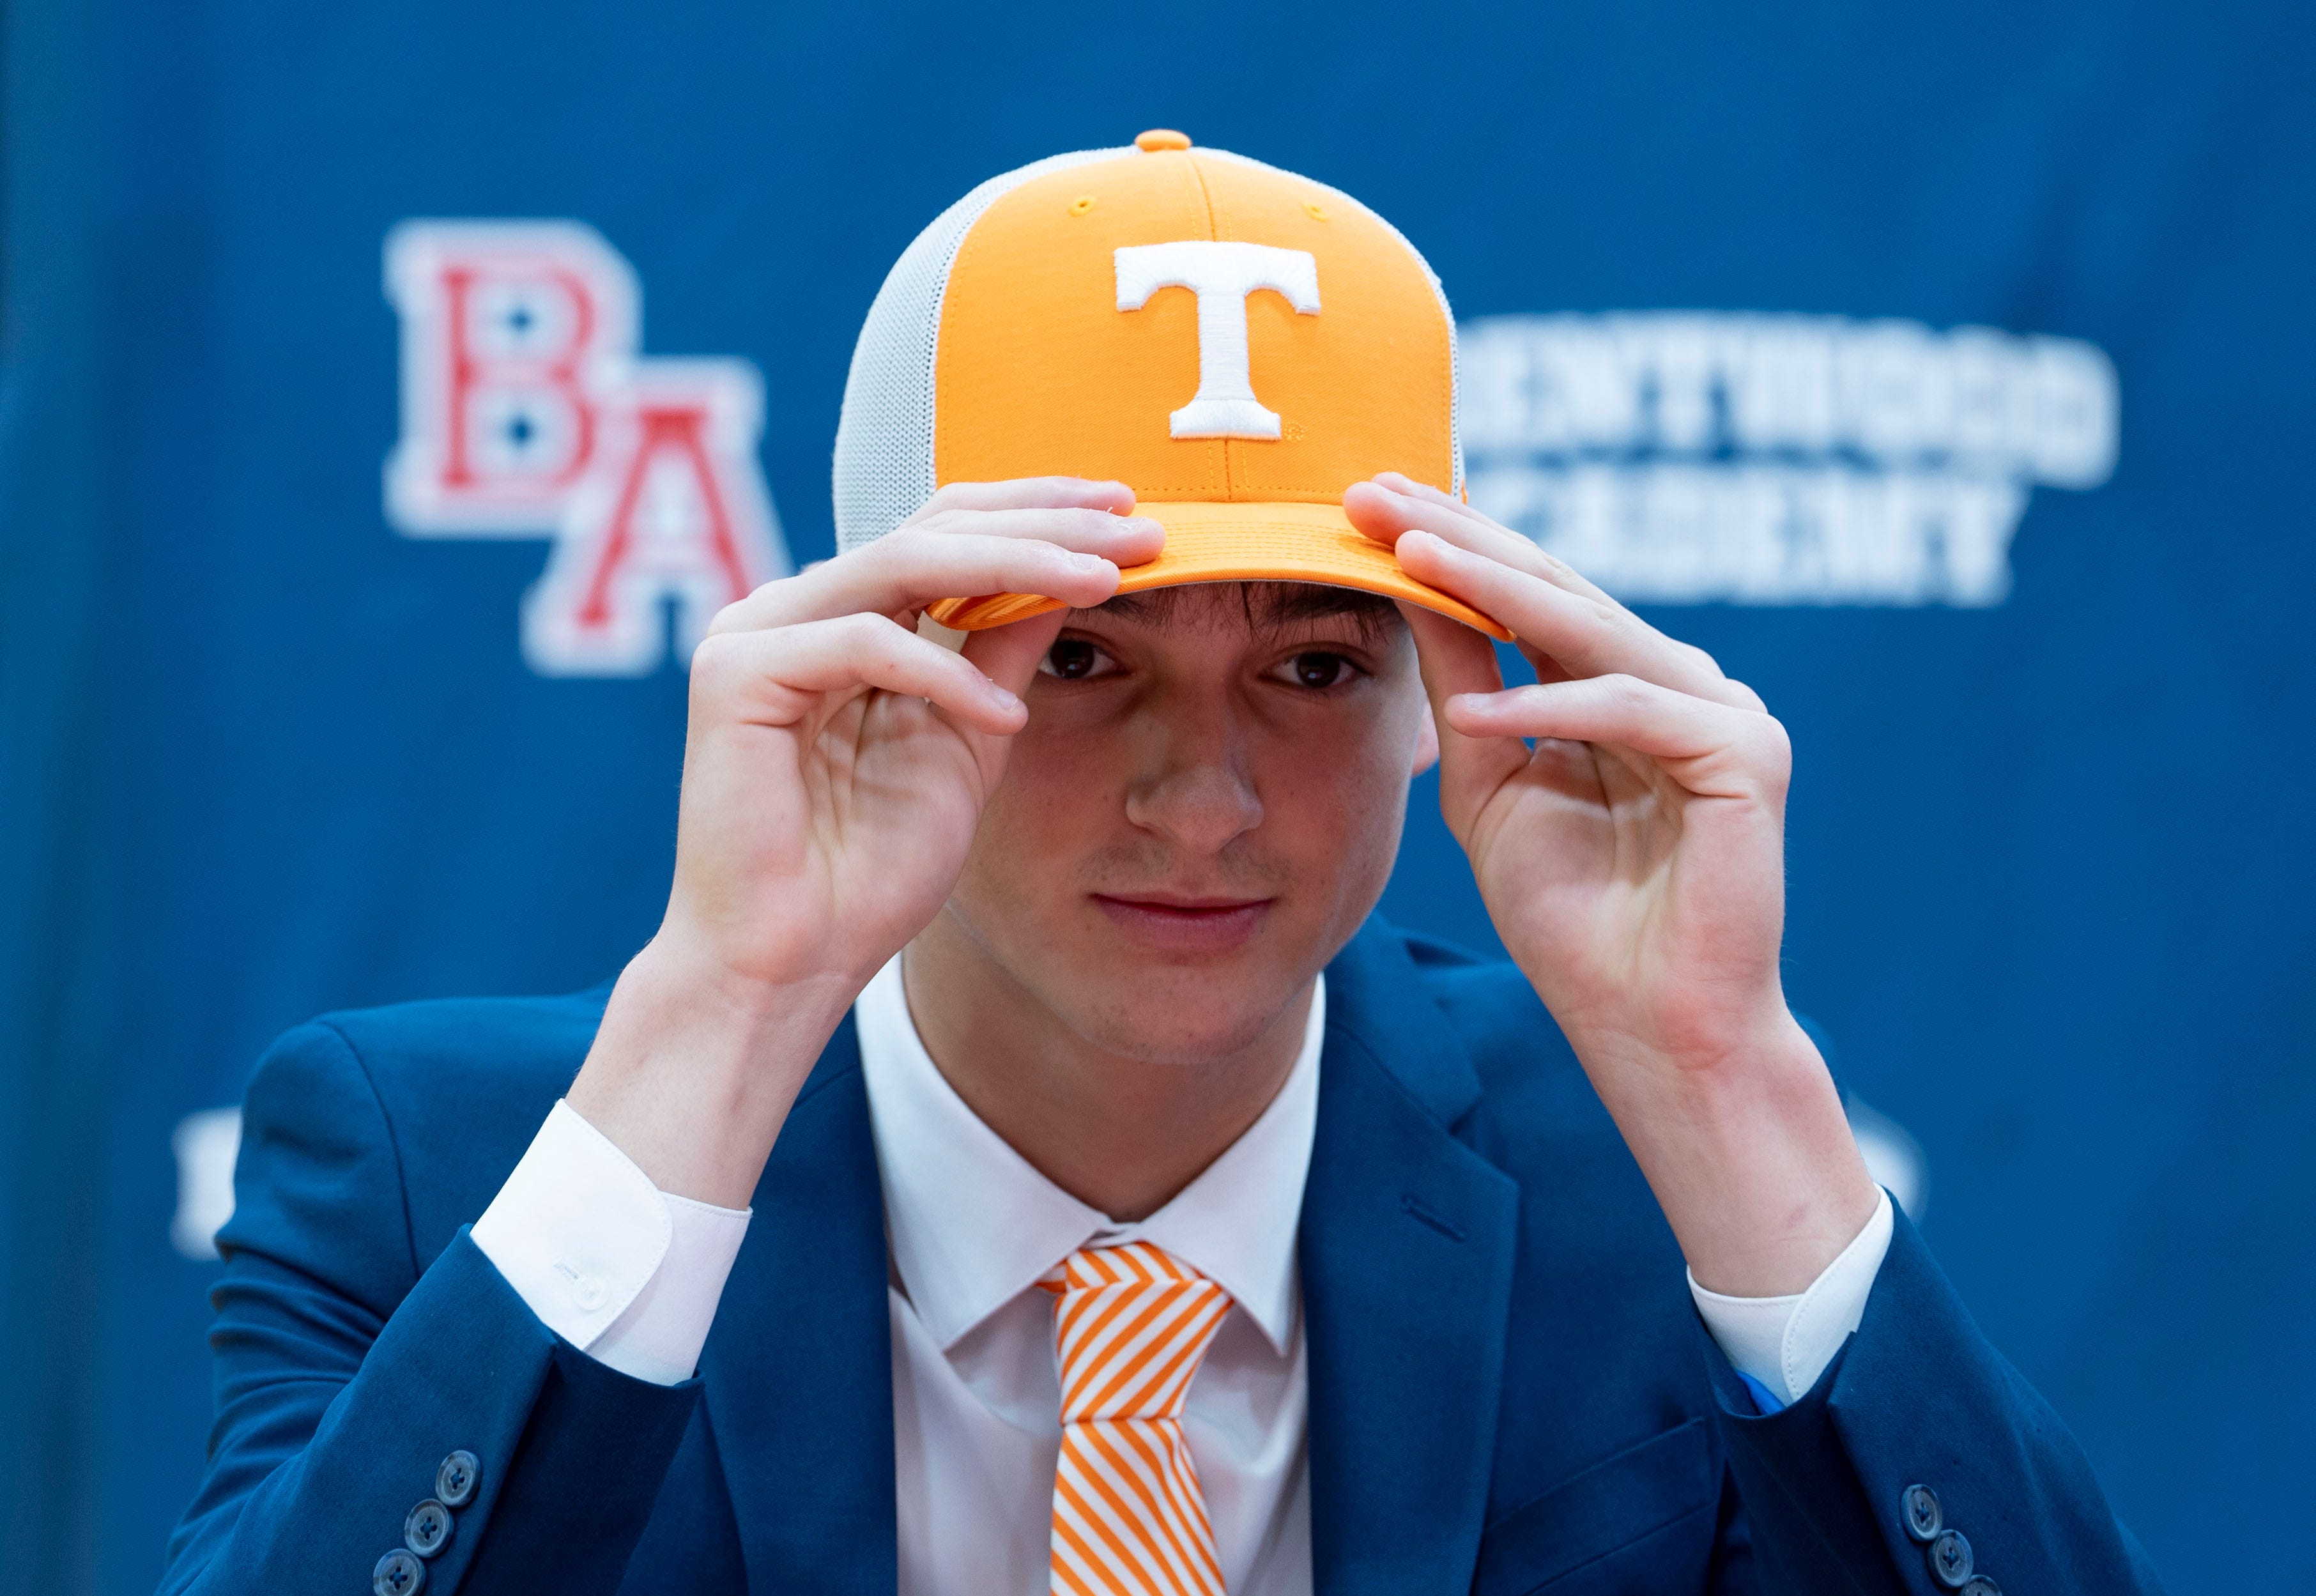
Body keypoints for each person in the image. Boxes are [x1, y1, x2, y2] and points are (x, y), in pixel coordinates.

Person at [161, 132, 2160, 1596]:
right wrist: (719, 1017)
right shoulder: (447, 1166)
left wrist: (1726, 1082)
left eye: (1309, 661)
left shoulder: (1641, 1155)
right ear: (872, 668)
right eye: (1083, 657)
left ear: (1440, 692)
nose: (1201, 797)